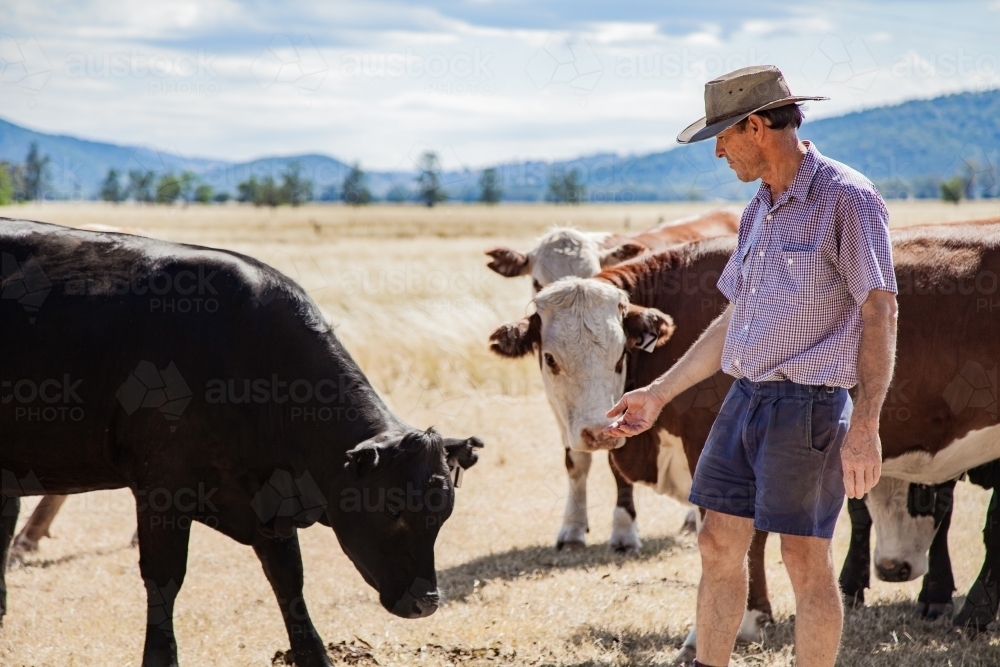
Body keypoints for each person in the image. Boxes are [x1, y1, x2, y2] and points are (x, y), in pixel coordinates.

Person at [604, 65, 898, 667]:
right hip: (745, 398)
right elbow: (736, 316)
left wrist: (865, 423)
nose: (718, 150)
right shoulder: (757, 208)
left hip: (810, 403)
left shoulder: (849, 198)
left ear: (757, 127)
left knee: (802, 559)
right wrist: (658, 392)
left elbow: (880, 310)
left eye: (723, 135)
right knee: (716, 540)